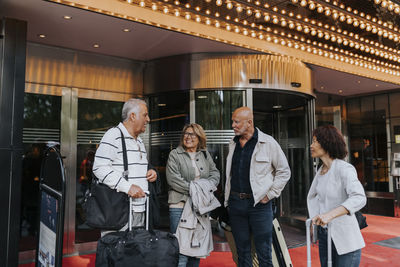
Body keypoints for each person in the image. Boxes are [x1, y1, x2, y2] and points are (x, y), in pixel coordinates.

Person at [224, 107, 291, 267]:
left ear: (249, 122)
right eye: (232, 121)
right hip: (236, 204)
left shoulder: (268, 142)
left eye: (237, 122)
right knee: (242, 253)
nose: (233, 125)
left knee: (264, 252)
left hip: (259, 206)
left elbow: (284, 171)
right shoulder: (232, 143)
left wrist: (270, 195)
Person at [92, 98, 157, 234]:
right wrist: (128, 187)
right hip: (120, 213)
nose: (148, 119)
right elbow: (99, 168)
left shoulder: (139, 140)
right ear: (132, 116)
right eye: (145, 115)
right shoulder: (113, 135)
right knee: (117, 253)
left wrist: (151, 172)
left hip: (140, 210)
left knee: (135, 253)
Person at [308, 125, 366, 267]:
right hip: (325, 235)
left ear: (327, 143)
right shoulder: (320, 170)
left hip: (345, 237)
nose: (311, 145)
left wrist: (330, 215)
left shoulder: (344, 168)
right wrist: (314, 221)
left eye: (315, 141)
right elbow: (317, 198)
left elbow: (359, 197)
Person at [166, 123, 220, 267]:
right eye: (186, 134)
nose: (188, 137)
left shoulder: (204, 154)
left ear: (199, 138)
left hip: (200, 207)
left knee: (196, 251)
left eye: (192, 134)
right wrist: (196, 189)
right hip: (180, 206)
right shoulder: (174, 154)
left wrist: (204, 187)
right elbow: (173, 179)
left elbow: (215, 174)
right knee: (181, 252)